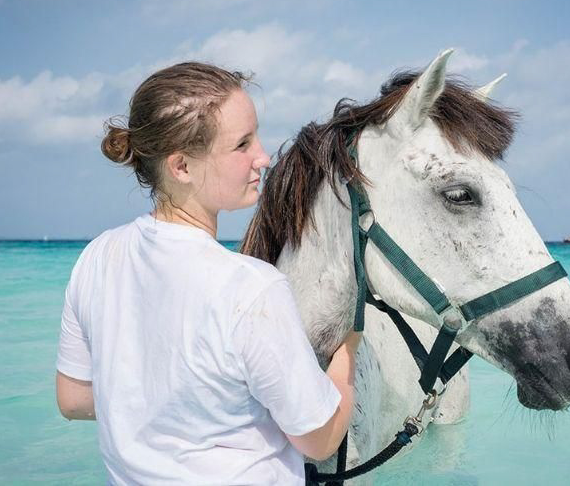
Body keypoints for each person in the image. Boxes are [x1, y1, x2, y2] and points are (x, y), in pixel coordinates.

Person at [55, 62, 360, 485]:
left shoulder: (96, 256)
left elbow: (72, 400)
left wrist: (155, 404)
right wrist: (348, 353)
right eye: (242, 145)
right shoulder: (251, 287)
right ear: (180, 167)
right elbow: (320, 439)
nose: (263, 157)